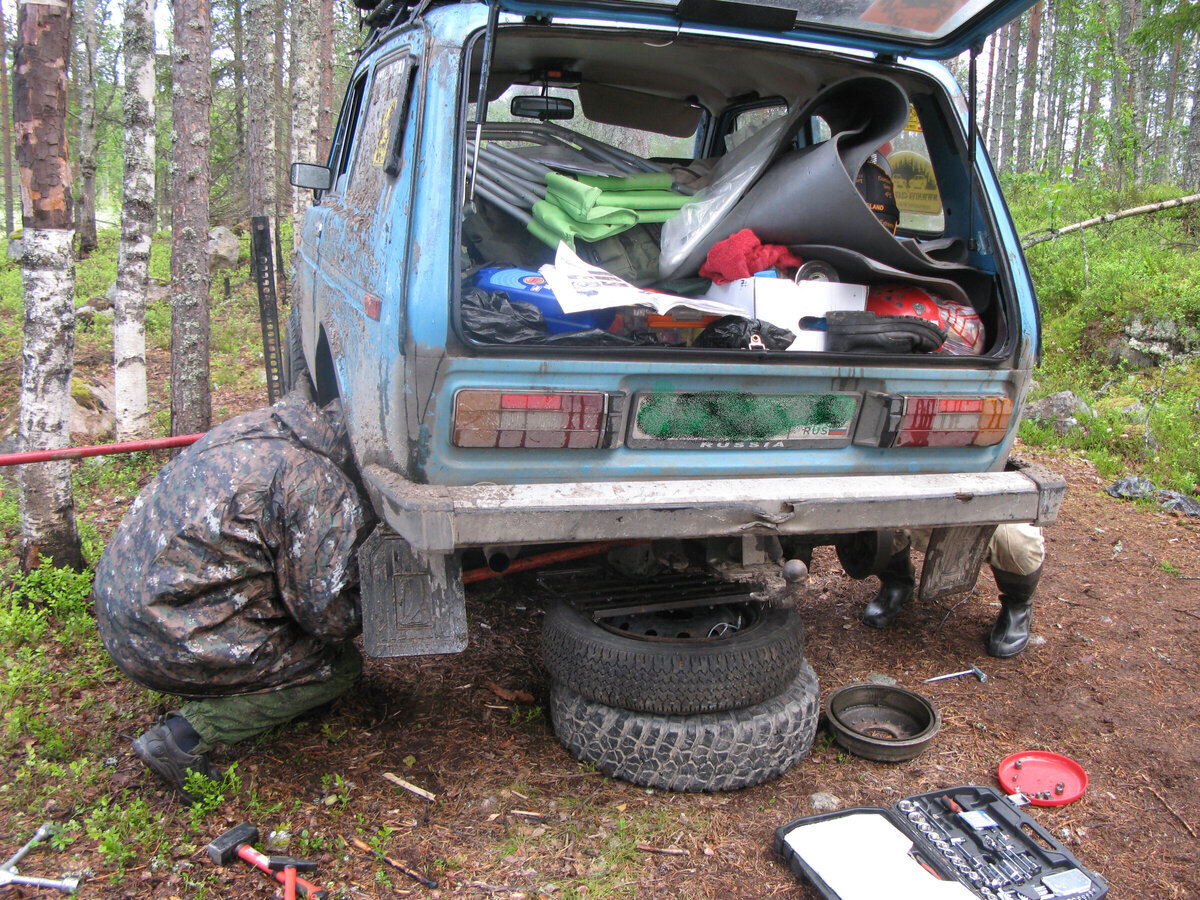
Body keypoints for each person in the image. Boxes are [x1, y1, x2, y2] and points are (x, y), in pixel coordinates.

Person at [93, 388, 370, 801]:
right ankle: (184, 737)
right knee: (340, 666)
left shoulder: (259, 427)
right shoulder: (317, 481)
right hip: (163, 639)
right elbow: (325, 614)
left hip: (122, 612)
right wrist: (372, 605)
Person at [861, 523, 1045, 658]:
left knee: (1017, 543)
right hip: (921, 486)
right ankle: (897, 582)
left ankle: (1019, 605)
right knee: (879, 517)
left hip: (992, 494)